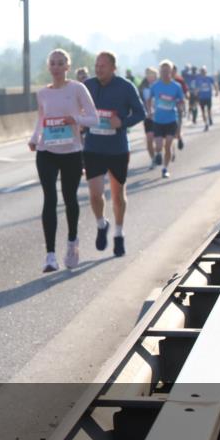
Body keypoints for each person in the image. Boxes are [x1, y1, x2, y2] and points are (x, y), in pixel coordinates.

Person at [28, 48, 99, 272]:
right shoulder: (43, 93)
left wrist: (75, 119)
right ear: (48, 67)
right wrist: (34, 138)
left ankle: (72, 242)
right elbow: (42, 119)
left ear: (67, 67)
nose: (57, 67)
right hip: (47, 151)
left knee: (69, 198)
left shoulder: (77, 88)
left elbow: (94, 118)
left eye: (61, 63)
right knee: (49, 198)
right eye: (53, 63)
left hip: (71, 151)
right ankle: (50, 255)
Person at [82, 52, 146, 257]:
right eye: (96, 65)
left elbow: (140, 113)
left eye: (103, 65)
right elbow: (76, 109)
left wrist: (122, 123)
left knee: (118, 195)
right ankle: (102, 224)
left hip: (117, 148)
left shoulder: (126, 87)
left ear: (113, 68)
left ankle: (118, 232)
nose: (98, 69)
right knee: (95, 194)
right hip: (93, 147)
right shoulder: (87, 86)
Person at [146, 60, 185, 179]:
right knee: (158, 146)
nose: (165, 73)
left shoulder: (176, 86)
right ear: (160, 72)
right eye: (162, 71)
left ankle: (165, 169)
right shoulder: (155, 86)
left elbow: (181, 101)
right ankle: (158, 154)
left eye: (167, 71)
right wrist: (149, 111)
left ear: (171, 72)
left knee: (168, 145)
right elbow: (148, 99)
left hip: (171, 120)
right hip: (158, 120)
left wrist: (180, 106)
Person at [139, 67, 158, 165]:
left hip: (160, 117)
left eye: (151, 74)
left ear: (155, 75)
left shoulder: (161, 85)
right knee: (149, 139)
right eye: (148, 74)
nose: (150, 76)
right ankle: (153, 159)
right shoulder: (142, 87)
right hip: (148, 117)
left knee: (159, 140)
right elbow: (139, 102)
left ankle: (161, 152)